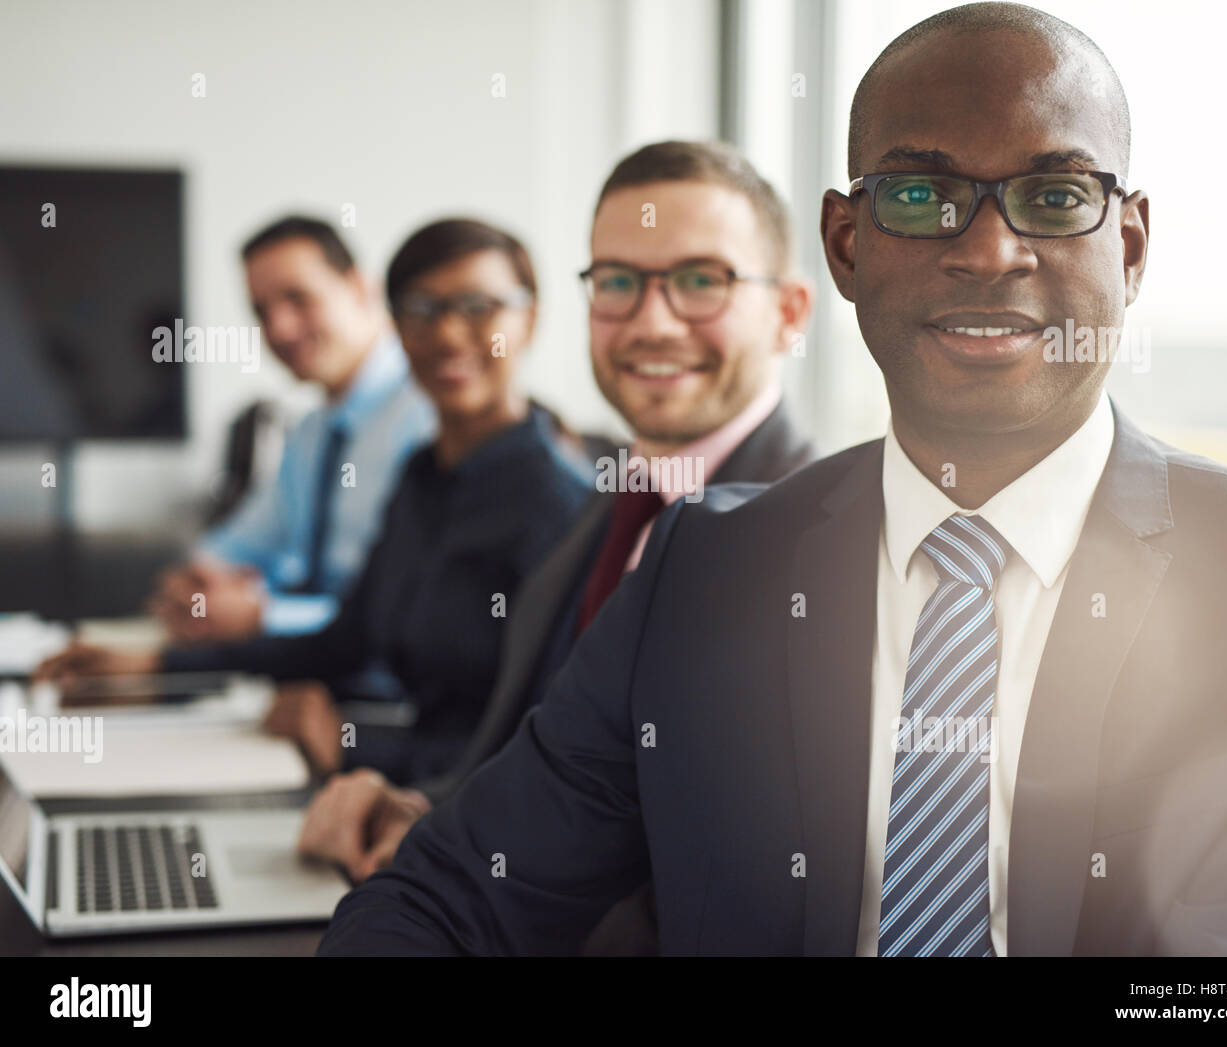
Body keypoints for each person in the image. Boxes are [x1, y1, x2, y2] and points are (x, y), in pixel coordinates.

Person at [317, 4, 1227, 957]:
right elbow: (455, 896)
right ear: (844, 247)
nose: (990, 251)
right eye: (920, 198)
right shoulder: (703, 571)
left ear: (1126, 248)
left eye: (1054, 197)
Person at [295, 143, 818, 945]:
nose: (651, 321)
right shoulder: (603, 511)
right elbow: (558, 774)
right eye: (617, 281)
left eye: (701, 279)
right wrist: (427, 808)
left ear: (787, 313)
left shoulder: (815, 550)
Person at [36, 219, 592, 783]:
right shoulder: (422, 477)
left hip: (442, 803)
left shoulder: (562, 508)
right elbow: (345, 640)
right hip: (388, 770)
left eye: (479, 306)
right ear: (396, 323)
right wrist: (160, 665)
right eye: (422, 309)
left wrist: (352, 748)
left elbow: (545, 753)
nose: (448, 334)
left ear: (531, 317)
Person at [151, 215, 435, 643]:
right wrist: (192, 584)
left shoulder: (432, 417)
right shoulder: (311, 434)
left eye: (298, 298)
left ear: (360, 288)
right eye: (262, 311)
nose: (279, 328)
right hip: (311, 673)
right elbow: (234, 546)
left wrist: (265, 616)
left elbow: (408, 608)